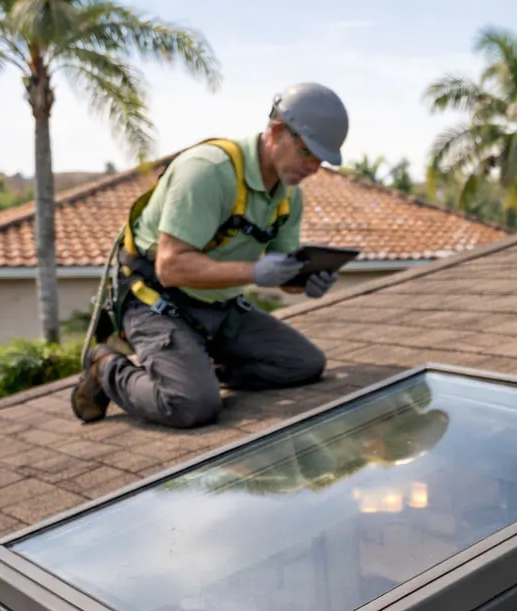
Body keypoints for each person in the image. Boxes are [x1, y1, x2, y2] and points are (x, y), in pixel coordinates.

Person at [72, 82, 349, 428]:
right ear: (278, 132)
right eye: (309, 152)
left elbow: (282, 271)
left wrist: (306, 281)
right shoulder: (208, 171)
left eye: (322, 159)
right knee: (191, 406)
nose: (315, 168)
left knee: (303, 364)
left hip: (220, 306)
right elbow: (170, 266)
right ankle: (107, 368)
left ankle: (194, 369)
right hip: (157, 301)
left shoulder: (288, 196)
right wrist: (254, 272)